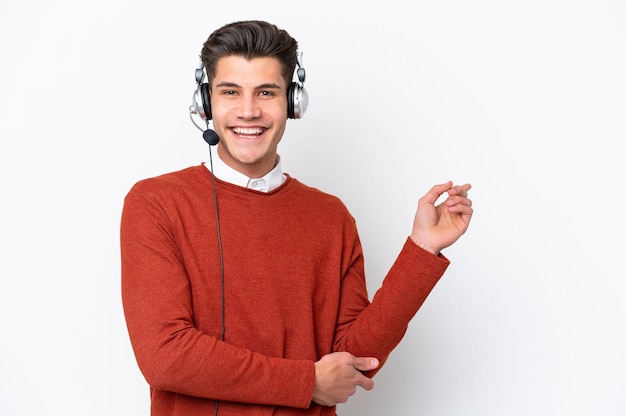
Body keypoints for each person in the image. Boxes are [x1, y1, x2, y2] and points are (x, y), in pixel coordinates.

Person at [120, 20, 473, 416]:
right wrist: (307, 382)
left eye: (266, 92)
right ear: (206, 103)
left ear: (293, 102)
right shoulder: (155, 203)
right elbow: (165, 356)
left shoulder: (331, 217)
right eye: (230, 92)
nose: (248, 111)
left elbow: (355, 359)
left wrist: (422, 250)